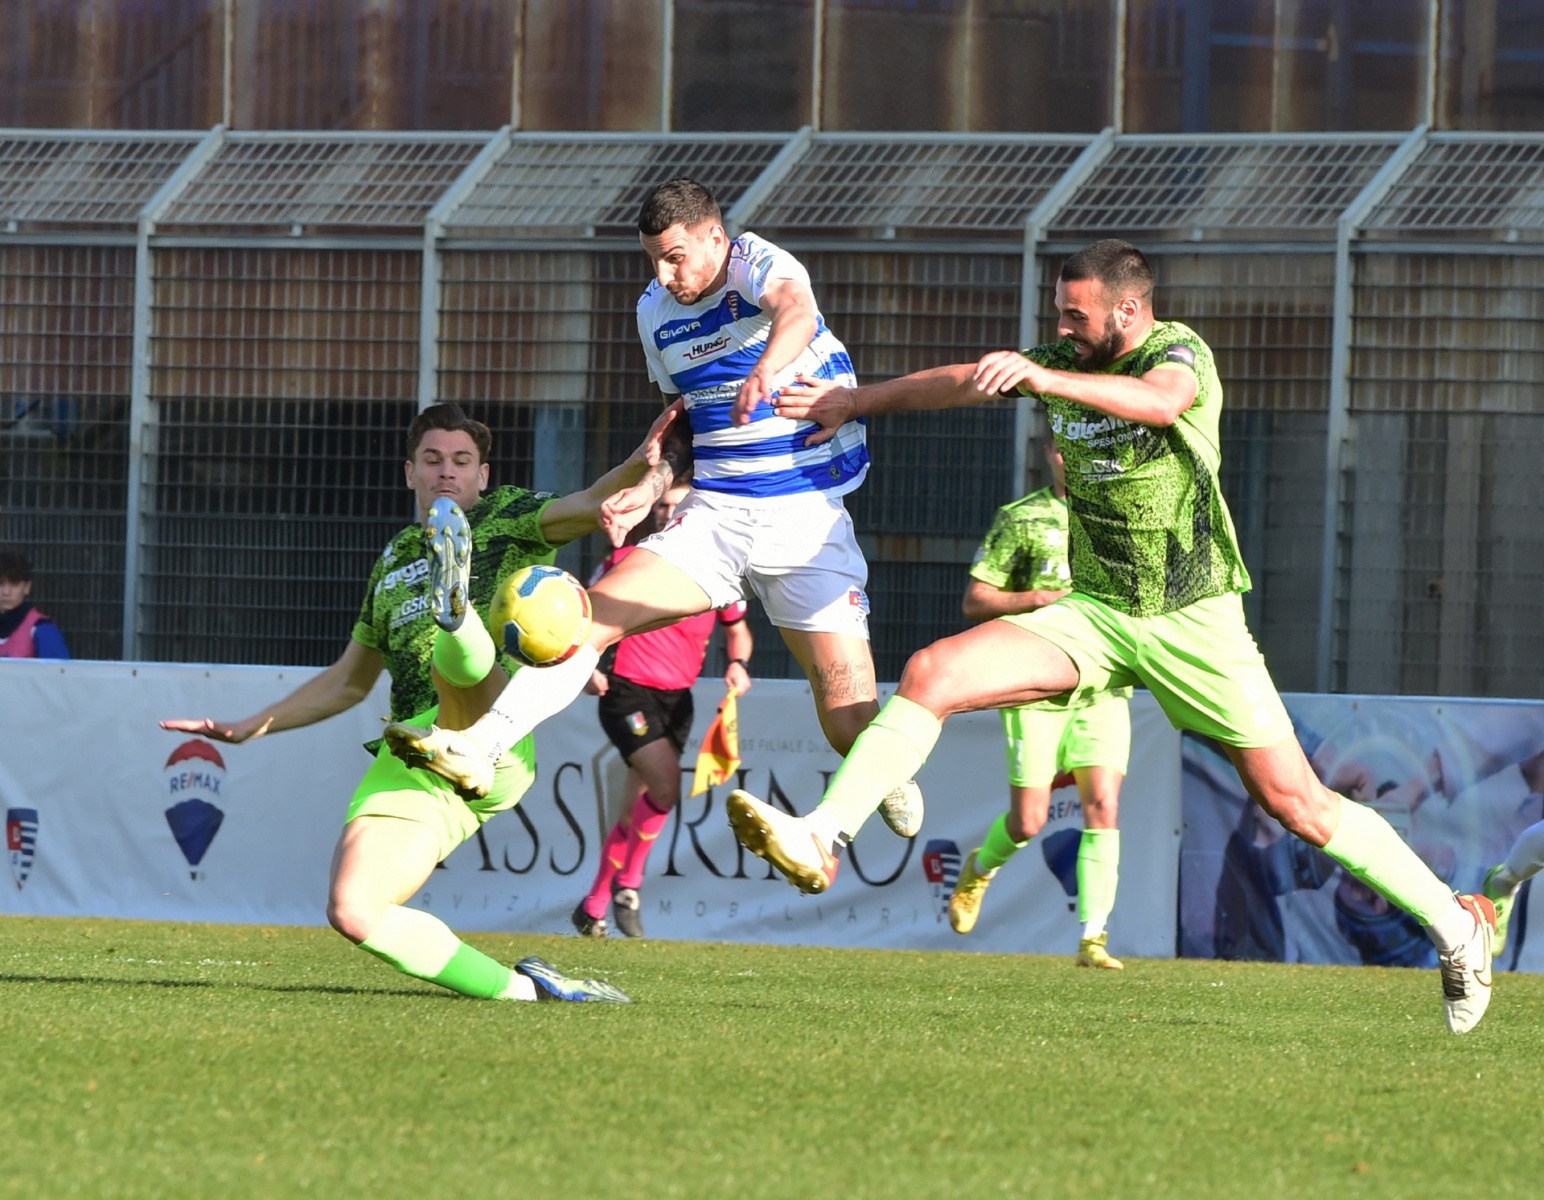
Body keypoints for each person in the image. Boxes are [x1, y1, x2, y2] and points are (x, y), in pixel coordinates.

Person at [722, 238, 1497, 1034]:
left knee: (1295, 802)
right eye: (1059, 312)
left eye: (1074, 312)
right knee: (931, 672)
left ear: (1127, 310)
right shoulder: (1063, 355)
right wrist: (859, 401)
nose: (1060, 324)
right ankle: (822, 835)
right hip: (1095, 613)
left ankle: (1455, 923)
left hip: (1192, 617)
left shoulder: (1178, 350)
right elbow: (961, 380)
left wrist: (1045, 378)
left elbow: (1162, 402)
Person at [383, 176, 921, 842]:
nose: (666, 276)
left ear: (714, 238)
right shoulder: (655, 313)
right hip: (717, 515)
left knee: (847, 722)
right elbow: (686, 424)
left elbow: (797, 313)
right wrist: (651, 482)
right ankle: (480, 746)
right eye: (653, 262)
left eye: (676, 257)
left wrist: (764, 371)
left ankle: (885, 766)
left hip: (805, 522)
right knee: (590, 620)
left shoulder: (758, 263)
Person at [161, 402, 651, 1004]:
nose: (448, 471)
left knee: (457, 662)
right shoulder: (394, 558)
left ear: (483, 476)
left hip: (489, 736)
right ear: (409, 472)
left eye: (462, 461)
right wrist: (250, 727)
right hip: (413, 754)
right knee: (354, 909)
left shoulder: (515, 515)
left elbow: (594, 497)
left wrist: (648, 459)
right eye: (433, 459)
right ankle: (528, 992)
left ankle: (458, 615)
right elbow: (347, 682)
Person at [947, 438, 1131, 970]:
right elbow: (975, 600)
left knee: (1104, 808)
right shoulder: (1023, 518)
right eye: (1060, 447)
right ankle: (980, 868)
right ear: (1050, 453)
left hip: (1104, 688)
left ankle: (1092, 938)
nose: (1070, 457)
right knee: (1029, 822)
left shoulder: (1123, 515)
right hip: (1036, 688)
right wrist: (1037, 599)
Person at [573, 479, 754, 939]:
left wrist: (737, 663)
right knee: (667, 785)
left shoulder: (721, 573)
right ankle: (628, 888)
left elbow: (739, 631)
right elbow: (583, 616)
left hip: (679, 698)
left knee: (636, 810)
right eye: (661, 505)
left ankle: (593, 906)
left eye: (677, 504)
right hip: (627, 692)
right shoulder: (625, 562)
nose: (665, 512)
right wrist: (585, 665)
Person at [0, 550, 70, 659]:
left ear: (27, 587)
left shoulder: (43, 629)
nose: (6, 592)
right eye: (0, 584)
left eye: (14, 584)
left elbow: (59, 674)